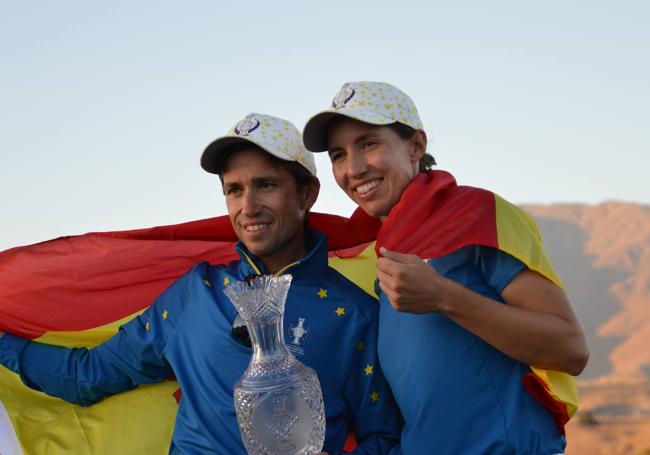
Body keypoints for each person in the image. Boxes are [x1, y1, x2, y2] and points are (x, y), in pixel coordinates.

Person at [0, 113, 401, 454]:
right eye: (234, 190)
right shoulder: (196, 293)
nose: (249, 207)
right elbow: (89, 376)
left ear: (306, 193)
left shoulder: (355, 313)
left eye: (266, 185)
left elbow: (383, 436)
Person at [303, 81, 590, 454]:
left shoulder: (478, 214)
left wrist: (442, 296)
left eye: (369, 144)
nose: (353, 168)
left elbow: (570, 348)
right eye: (338, 154)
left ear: (416, 146)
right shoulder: (378, 253)